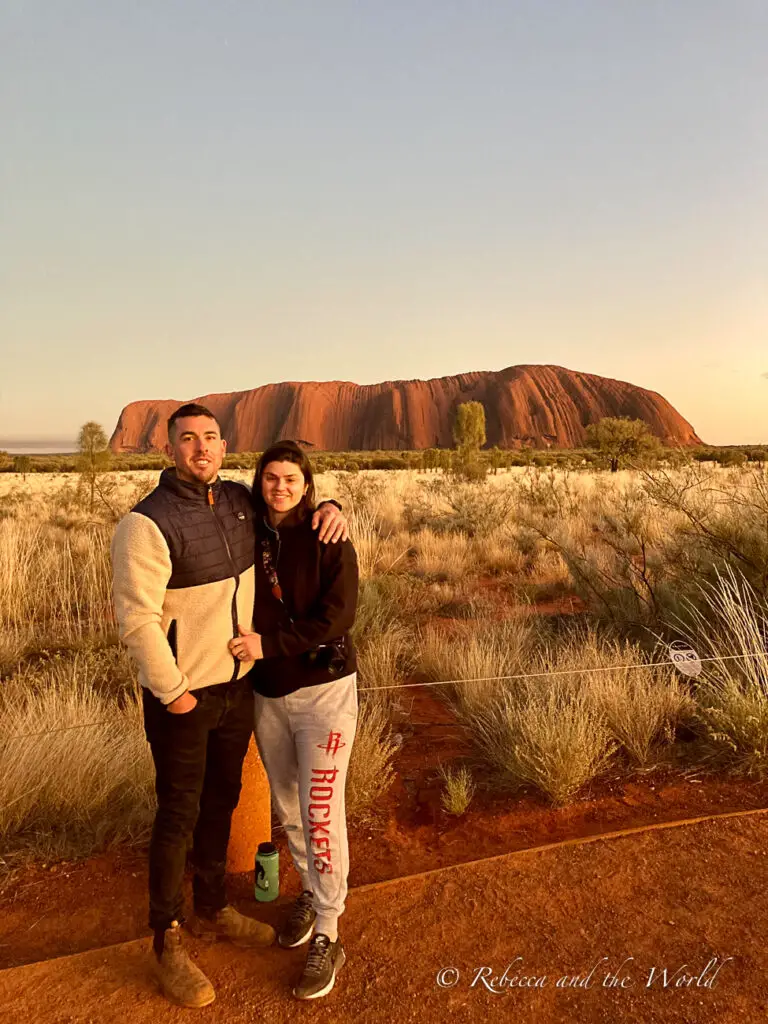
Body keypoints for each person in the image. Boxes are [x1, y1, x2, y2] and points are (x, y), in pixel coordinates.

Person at [110, 404, 347, 1009]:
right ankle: (167, 938)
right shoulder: (146, 523)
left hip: (237, 689)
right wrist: (175, 692)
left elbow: (287, 506)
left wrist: (331, 507)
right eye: (187, 439)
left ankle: (212, 908)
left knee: (221, 801)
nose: (201, 448)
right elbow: (136, 621)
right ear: (170, 449)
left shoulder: (239, 501)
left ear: (224, 444)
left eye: (211, 437)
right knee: (178, 812)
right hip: (184, 696)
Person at [229, 440, 358, 1001]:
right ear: (260, 482)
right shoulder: (251, 528)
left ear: (306, 485)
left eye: (291, 479)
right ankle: (311, 888)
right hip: (270, 695)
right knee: (287, 806)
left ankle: (328, 927)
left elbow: (339, 616)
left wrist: (267, 643)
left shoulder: (329, 537)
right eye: (271, 477)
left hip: (324, 694)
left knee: (321, 810)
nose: (280, 486)